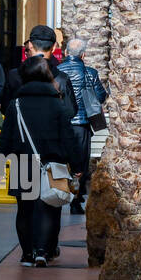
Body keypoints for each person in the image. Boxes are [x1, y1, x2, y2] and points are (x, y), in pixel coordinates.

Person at [0, 56, 85, 266]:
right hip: (52, 164)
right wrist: (78, 165)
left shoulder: (15, 105)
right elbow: (68, 138)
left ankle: (27, 253)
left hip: (21, 164)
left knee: (24, 210)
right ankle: (43, 251)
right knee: (50, 208)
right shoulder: (57, 104)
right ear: (47, 75)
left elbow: (6, 136)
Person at [56, 37, 107, 214]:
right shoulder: (90, 72)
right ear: (83, 55)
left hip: (62, 123)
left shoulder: (56, 71)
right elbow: (101, 96)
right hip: (82, 124)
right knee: (80, 164)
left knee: (62, 161)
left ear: (66, 53)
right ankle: (75, 201)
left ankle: (58, 193)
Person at [2, 26, 77, 120]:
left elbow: (5, 108)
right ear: (53, 47)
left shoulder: (14, 76)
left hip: (22, 132)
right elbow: (71, 111)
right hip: (51, 131)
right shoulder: (62, 78)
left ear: (30, 45)